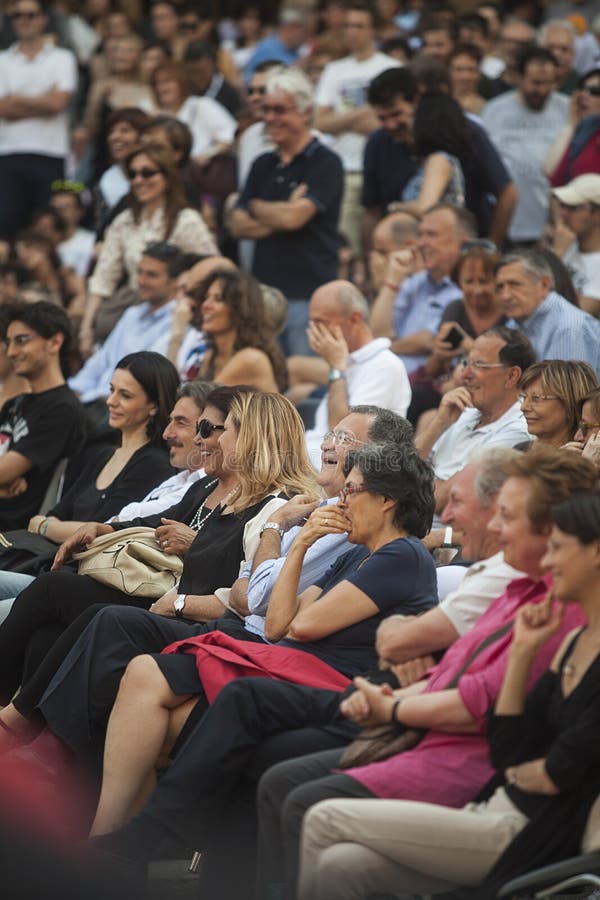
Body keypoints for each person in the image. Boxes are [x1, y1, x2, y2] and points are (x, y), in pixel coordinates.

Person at [257, 445, 596, 900]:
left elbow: (513, 737)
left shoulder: (558, 616)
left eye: (507, 517)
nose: (492, 526)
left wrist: (394, 706)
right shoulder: (527, 595)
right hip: (453, 755)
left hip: (478, 782)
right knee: (337, 856)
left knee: (299, 795)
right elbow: (509, 737)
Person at [84, 441, 438, 839]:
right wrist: (300, 543)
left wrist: (298, 548)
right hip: (286, 668)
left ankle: (121, 846)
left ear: (387, 500)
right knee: (143, 675)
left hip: (320, 683)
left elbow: (300, 627)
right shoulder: (357, 556)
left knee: (153, 725)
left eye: (351, 490)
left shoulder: (402, 554)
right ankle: (112, 842)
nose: (341, 502)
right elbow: (277, 624)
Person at [0, 390, 317, 705]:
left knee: (71, 598)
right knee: (50, 630)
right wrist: (106, 528)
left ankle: (17, 722)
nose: (202, 440)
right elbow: (157, 521)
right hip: (165, 594)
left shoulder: (278, 509)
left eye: (207, 429)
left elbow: (248, 593)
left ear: (250, 439)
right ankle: (27, 731)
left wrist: (179, 595)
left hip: (192, 610)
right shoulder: (215, 489)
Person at [231, 66, 343, 357]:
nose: (270, 119)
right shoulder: (262, 164)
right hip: (263, 297)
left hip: (308, 296)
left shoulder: (325, 162)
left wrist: (259, 208)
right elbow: (237, 224)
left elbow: (294, 218)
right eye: (266, 110)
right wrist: (279, 213)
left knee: (302, 385)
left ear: (306, 112)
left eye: (280, 110)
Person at [80, 141, 217, 358]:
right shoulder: (124, 221)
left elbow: (213, 267)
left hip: (171, 310)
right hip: (133, 306)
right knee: (103, 326)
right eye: (133, 174)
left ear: (167, 177)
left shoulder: (186, 220)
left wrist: (185, 280)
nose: (139, 180)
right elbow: (103, 278)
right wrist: (86, 329)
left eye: (147, 173)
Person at [361, 66, 517, 247]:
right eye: (382, 118)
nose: (391, 125)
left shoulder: (462, 134)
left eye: (397, 114)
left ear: (417, 102)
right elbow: (371, 211)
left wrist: (491, 247)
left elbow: (507, 194)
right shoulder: (378, 143)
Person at [415, 326, 534, 512]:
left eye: (478, 365)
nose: (464, 375)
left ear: (512, 376)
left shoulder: (520, 428)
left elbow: (441, 500)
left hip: (442, 532)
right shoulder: (465, 410)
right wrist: (438, 423)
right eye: (465, 363)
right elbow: (403, 470)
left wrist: (404, 488)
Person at [313, 1, 399, 254]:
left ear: (374, 30)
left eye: (360, 26)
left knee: (382, 245)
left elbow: (385, 125)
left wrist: (342, 119)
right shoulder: (334, 69)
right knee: (346, 244)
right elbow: (320, 122)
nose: (353, 32)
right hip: (344, 168)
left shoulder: (389, 68)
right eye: (349, 26)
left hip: (382, 166)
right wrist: (364, 112)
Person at [303, 280, 411, 468]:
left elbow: (342, 436)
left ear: (354, 319)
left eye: (320, 322)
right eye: (311, 323)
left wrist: (336, 367)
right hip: (311, 459)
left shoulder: (385, 365)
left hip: (339, 472)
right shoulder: (348, 360)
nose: (313, 331)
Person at [68, 243, 188, 408]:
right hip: (93, 403)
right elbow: (100, 361)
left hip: (125, 409)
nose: (141, 280)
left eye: (151, 275)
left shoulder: (180, 321)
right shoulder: (131, 314)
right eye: (140, 272)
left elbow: (147, 381)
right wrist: (73, 392)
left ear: (175, 281)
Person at [0, 301, 85, 530]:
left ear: (54, 342)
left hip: (15, 532)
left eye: (21, 340)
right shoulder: (14, 405)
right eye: (8, 343)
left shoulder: (62, 409)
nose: (11, 352)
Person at [0, 0, 77, 239]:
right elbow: (3, 108)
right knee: (7, 224)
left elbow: (59, 104)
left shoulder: (63, 58)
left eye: (31, 15)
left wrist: (17, 99)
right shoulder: (2, 60)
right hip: (9, 152)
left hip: (51, 152)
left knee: (49, 226)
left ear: (44, 19)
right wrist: (44, 100)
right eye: (18, 16)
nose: (24, 20)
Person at [370, 204, 474, 375]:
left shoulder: (468, 288)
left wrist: (383, 348)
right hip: (387, 377)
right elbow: (378, 334)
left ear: (462, 244)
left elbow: (428, 340)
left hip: (427, 387)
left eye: (431, 235)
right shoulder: (416, 282)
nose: (421, 243)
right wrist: (392, 281)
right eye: (421, 234)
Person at [482, 48, 569, 244]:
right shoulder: (494, 111)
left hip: (551, 224)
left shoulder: (566, 109)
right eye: (535, 83)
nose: (541, 90)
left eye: (548, 83)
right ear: (519, 78)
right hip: (506, 222)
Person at [496, 248, 600, 374]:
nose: (505, 295)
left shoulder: (569, 327)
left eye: (514, 284)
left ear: (544, 284)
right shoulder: (514, 323)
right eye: (500, 287)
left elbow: (564, 392)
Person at [188, 268, 287, 392]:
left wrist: (178, 333)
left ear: (240, 309)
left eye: (218, 299)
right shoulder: (211, 355)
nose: (205, 305)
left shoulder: (251, 359)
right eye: (207, 297)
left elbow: (201, 405)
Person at [391, 93, 468, 216]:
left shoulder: (439, 160)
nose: (408, 123)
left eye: (413, 116)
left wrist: (395, 207)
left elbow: (425, 207)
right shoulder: (427, 160)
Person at [149, 61, 236, 166]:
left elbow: (230, 135)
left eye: (167, 82)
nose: (161, 88)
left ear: (181, 82)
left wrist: (207, 155)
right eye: (157, 83)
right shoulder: (156, 116)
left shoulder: (201, 105)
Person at [518, 360, 598, 449]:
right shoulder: (519, 451)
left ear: (569, 403)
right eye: (524, 397)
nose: (523, 407)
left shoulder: (590, 458)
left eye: (536, 398)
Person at [551, 174, 600, 315]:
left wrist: (557, 256)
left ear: (597, 214)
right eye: (562, 206)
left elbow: (574, 316)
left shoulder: (561, 248)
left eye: (573, 207)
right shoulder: (567, 244)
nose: (563, 213)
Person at [548, 66, 600, 187]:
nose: (584, 95)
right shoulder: (580, 131)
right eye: (582, 88)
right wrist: (570, 125)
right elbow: (550, 170)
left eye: (595, 91)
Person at [539, 18, 579, 94]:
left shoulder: (581, 87)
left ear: (573, 54)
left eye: (564, 49)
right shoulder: (526, 83)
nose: (557, 54)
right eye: (550, 47)